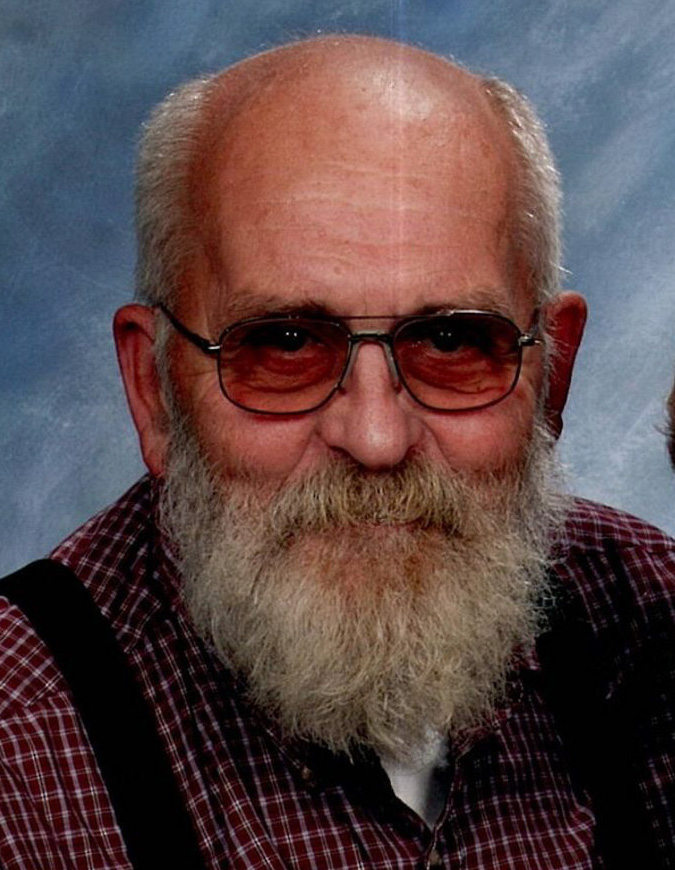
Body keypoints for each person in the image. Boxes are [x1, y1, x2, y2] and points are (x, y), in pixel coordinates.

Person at [1, 35, 673, 870]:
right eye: (284, 342)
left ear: (552, 373)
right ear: (154, 390)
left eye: (451, 340)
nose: (376, 438)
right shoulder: (23, 751)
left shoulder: (649, 621)